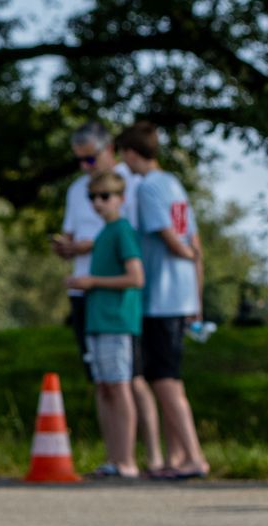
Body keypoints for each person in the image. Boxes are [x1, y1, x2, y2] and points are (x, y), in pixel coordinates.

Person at [51, 122, 163, 471]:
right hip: (89, 295)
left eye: (91, 159)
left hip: (116, 301)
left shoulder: (132, 187)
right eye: (80, 162)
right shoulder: (76, 190)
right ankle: (116, 456)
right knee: (103, 381)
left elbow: (133, 250)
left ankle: (148, 457)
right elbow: (74, 232)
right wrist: (69, 249)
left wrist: (92, 251)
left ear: (109, 150)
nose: (86, 168)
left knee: (132, 378)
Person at [115, 121, 210, 480]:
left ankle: (194, 456)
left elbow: (169, 235)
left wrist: (182, 253)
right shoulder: (175, 184)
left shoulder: (149, 187)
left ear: (131, 154)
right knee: (167, 376)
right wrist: (196, 292)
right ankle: (177, 457)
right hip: (182, 295)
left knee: (165, 380)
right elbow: (195, 238)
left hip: (161, 296)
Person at [66, 170, 145, 478]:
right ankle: (113, 457)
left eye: (104, 196)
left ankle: (127, 460)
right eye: (93, 198)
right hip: (97, 319)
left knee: (119, 386)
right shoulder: (103, 232)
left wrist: (92, 281)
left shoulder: (122, 230)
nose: (98, 203)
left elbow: (136, 277)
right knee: (103, 387)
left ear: (120, 199)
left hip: (116, 320)